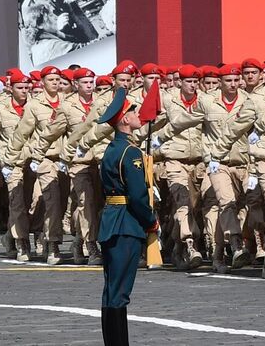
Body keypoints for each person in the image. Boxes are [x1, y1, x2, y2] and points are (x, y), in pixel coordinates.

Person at [96, 89, 156, 346]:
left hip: (111, 221)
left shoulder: (112, 149)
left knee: (111, 291)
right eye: (132, 111)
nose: (137, 114)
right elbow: (138, 196)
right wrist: (151, 220)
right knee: (119, 293)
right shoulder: (130, 153)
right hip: (126, 224)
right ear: (124, 120)